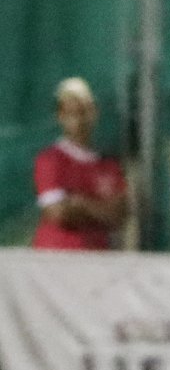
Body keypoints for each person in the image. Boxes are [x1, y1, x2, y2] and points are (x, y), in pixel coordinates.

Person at [32, 78, 128, 250]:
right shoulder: (50, 160)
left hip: (99, 263)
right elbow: (57, 213)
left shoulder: (110, 165)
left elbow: (118, 215)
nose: (77, 118)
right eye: (69, 111)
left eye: (82, 110)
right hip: (56, 262)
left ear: (94, 112)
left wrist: (80, 203)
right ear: (60, 115)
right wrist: (99, 209)